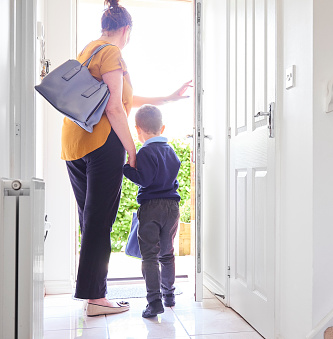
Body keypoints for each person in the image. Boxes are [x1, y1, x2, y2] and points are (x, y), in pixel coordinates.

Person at [62, 0, 191, 317]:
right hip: (102, 143)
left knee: (89, 220)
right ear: (126, 30)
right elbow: (115, 108)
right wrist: (133, 150)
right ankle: (95, 298)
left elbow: (118, 97)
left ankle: (93, 294)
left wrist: (168, 97)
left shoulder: (89, 50)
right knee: (99, 221)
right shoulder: (113, 53)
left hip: (74, 143)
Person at [122, 105, 181, 318]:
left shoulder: (145, 151)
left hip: (152, 207)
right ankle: (169, 295)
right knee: (167, 253)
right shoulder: (171, 150)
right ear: (162, 127)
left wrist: (127, 169)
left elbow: (144, 180)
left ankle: (154, 301)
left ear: (137, 130)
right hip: (172, 207)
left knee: (149, 256)